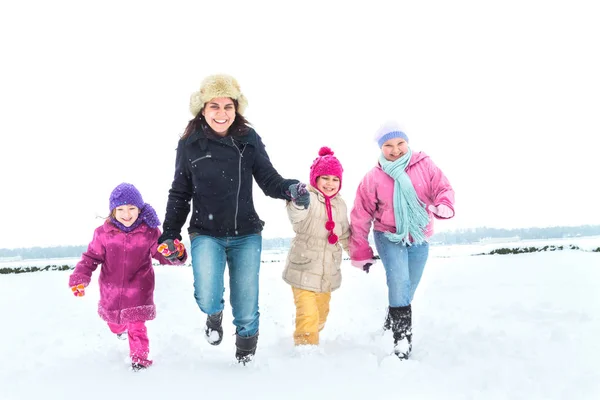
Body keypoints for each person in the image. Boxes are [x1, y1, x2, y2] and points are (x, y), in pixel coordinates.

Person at [158, 74, 308, 364]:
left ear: (236, 109)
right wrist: (169, 233)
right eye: (214, 106)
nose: (222, 113)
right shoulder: (190, 144)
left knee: (247, 306)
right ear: (202, 108)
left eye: (228, 106)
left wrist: (290, 189)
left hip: (246, 233)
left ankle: (245, 357)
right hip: (206, 232)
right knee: (207, 295)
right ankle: (213, 316)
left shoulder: (247, 139)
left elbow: (268, 179)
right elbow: (180, 192)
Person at [349, 121, 455, 360]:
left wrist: (445, 205)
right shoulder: (373, 177)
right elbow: (360, 215)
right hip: (388, 235)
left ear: (407, 143)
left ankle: (393, 317)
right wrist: (360, 250)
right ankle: (402, 339)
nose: (395, 150)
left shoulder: (425, 165)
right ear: (380, 147)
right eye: (388, 145)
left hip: (419, 234)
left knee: (409, 286)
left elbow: (443, 188)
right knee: (399, 281)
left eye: (400, 143)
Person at [68, 183, 187, 371]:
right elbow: (90, 258)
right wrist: (80, 278)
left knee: (137, 326)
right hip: (111, 293)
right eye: (121, 209)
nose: (126, 213)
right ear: (113, 211)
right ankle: (119, 329)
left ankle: (139, 360)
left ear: (139, 209)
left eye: (131, 208)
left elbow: (162, 254)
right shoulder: (103, 234)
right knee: (115, 325)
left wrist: (174, 254)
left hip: (139, 290)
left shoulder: (149, 232)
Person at [282, 147, 350, 346]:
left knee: (321, 314)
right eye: (325, 178)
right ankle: (305, 351)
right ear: (315, 179)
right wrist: (297, 202)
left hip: (327, 272)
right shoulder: (308, 199)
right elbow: (296, 215)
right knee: (308, 315)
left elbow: (344, 233)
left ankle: (309, 333)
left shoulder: (341, 205)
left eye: (335, 179)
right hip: (303, 267)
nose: (330, 184)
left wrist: (358, 254)